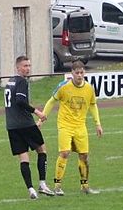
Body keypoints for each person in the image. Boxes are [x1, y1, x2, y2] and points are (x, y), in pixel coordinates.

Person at [40, 60, 102, 195]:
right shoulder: (63, 87)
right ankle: (57, 186)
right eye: (77, 73)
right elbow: (51, 101)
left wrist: (97, 123)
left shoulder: (89, 88)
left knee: (84, 155)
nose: (79, 75)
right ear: (72, 73)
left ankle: (85, 186)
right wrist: (42, 118)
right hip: (65, 125)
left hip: (80, 126)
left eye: (81, 72)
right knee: (64, 153)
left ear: (84, 73)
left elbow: (93, 105)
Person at [4, 56, 53, 200]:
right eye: (25, 66)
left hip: (11, 125)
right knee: (42, 150)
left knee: (23, 157)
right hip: (25, 123)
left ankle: (31, 189)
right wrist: (37, 112)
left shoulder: (10, 81)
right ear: (18, 67)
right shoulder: (21, 81)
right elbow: (20, 101)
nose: (28, 68)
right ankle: (42, 184)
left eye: (29, 66)